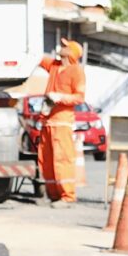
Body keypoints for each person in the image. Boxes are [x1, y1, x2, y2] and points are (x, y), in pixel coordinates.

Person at [37, 38, 86, 207]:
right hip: (48, 121)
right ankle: (53, 195)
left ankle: (67, 196)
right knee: (47, 160)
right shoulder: (55, 65)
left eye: (65, 46)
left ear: (71, 53)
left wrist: (60, 97)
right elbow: (38, 58)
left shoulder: (76, 71)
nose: (61, 47)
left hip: (62, 122)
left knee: (62, 160)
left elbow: (79, 97)